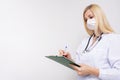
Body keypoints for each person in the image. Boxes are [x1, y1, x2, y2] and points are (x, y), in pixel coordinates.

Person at [59, 4, 120, 80]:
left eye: (91, 17)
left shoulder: (113, 39)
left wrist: (92, 71)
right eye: (86, 19)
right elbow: (80, 68)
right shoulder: (85, 41)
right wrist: (69, 60)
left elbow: (118, 73)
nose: (88, 21)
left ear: (100, 17)